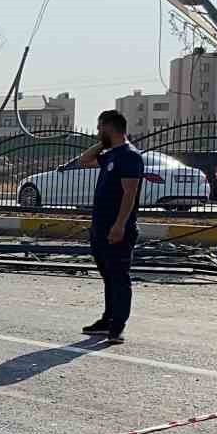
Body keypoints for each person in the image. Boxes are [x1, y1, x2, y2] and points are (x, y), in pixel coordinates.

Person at [78, 109, 143, 344]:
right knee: (108, 276)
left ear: (109, 127)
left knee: (119, 277)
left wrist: (119, 226)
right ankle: (107, 319)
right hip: (100, 227)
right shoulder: (112, 154)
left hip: (118, 229)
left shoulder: (130, 156)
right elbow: (84, 160)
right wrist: (101, 143)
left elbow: (130, 194)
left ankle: (118, 326)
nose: (97, 132)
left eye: (99, 128)